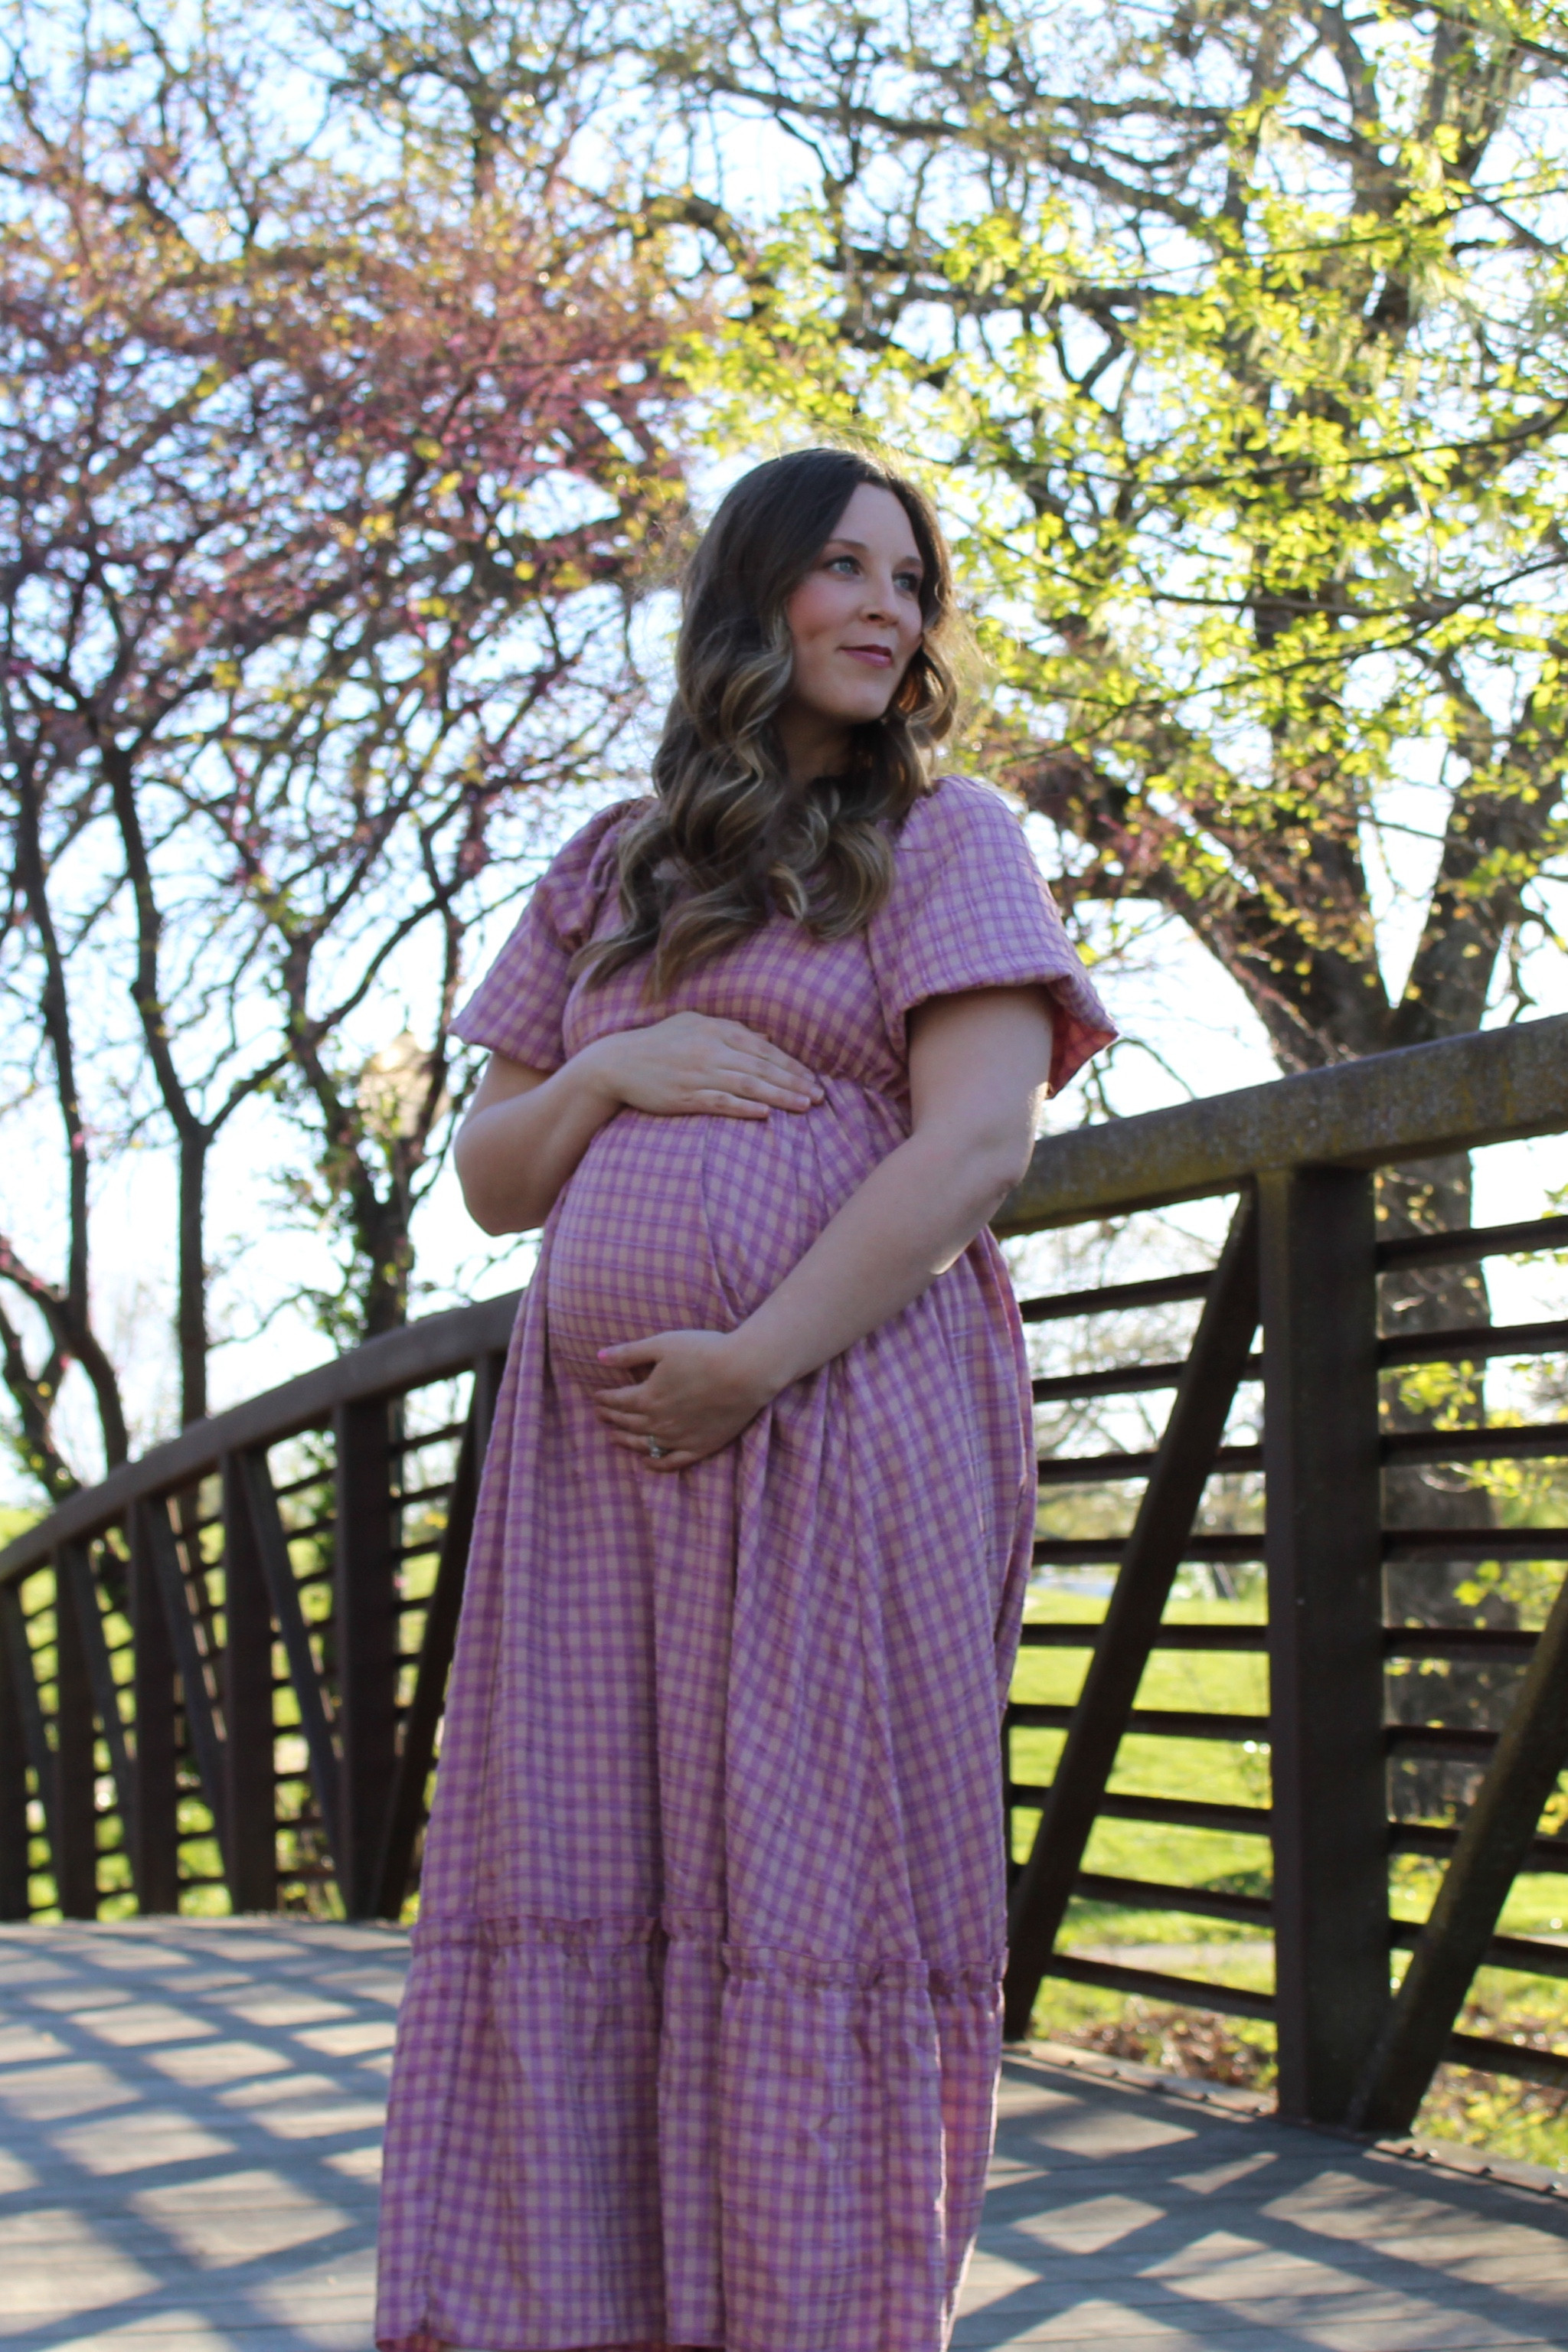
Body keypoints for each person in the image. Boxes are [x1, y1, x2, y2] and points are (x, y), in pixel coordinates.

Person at [375, 446, 1115, 2352]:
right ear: (750, 598)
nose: (887, 607)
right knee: (577, 1870)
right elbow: (492, 1176)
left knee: (811, 1885)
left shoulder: (950, 846)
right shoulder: (616, 865)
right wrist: (627, 1072)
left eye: (910, 578)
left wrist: (751, 1360)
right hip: (593, 1473)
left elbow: (968, 1157)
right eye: (842, 568)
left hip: (830, 1423)